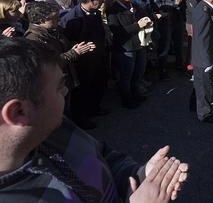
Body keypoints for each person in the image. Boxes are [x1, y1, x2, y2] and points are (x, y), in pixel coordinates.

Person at [0, 38, 189, 203]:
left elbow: (102, 157)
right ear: (19, 112)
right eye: (59, 87)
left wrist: (143, 173)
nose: (66, 92)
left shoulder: (53, 128)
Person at [59, 0, 108, 129]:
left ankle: (95, 108)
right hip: (82, 60)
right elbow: (66, 40)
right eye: (100, 0)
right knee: (83, 89)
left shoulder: (95, 13)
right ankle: (81, 118)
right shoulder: (72, 18)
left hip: (98, 55)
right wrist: (80, 47)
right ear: (92, 1)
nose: (103, 2)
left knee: (98, 83)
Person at [104, 0, 151, 109]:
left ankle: (135, 92)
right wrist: (137, 25)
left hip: (139, 43)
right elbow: (118, 31)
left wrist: (146, 20)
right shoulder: (113, 10)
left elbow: (143, 15)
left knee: (139, 71)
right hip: (126, 46)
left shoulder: (133, 5)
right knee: (126, 75)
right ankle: (126, 98)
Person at [191, 0, 213, 123]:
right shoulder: (204, 11)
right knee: (204, 87)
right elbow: (202, 39)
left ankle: (194, 106)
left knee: (200, 84)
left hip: (205, 55)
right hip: (203, 57)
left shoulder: (207, 8)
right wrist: (207, 61)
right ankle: (204, 114)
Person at [149, 0, 185, 77]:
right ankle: (162, 70)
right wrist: (174, 3)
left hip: (177, 17)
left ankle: (179, 64)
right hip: (164, 19)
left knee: (179, 42)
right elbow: (156, 3)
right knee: (165, 44)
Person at [184, 0, 203, 72]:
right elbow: (194, 9)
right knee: (192, 44)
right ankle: (189, 66)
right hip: (192, 22)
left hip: (196, 21)